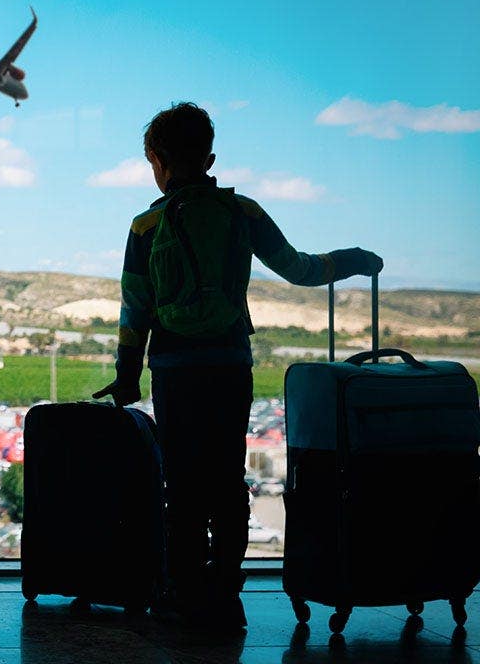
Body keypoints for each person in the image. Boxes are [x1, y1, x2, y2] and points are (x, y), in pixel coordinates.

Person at [93, 102, 383, 629]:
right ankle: (227, 592)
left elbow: (135, 310)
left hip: (174, 369)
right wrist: (354, 259)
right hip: (230, 364)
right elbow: (299, 269)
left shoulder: (145, 225)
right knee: (227, 479)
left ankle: (183, 593)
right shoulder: (243, 212)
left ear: (156, 160)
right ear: (209, 158)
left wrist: (127, 374)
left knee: (182, 483)